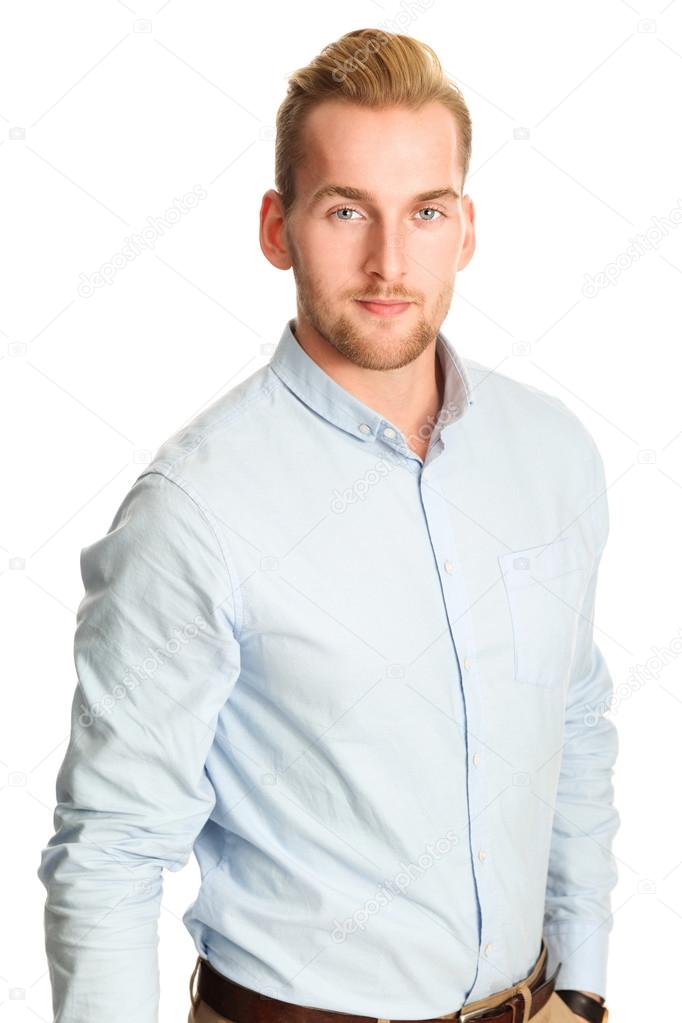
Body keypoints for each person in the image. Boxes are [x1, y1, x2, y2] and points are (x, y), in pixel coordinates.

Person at [37, 27, 617, 1023]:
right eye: (345, 209)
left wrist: (586, 984)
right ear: (277, 228)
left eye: (424, 212)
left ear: (465, 229)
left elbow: (572, 722)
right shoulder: (194, 512)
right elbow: (112, 852)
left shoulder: (551, 454)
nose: (389, 260)